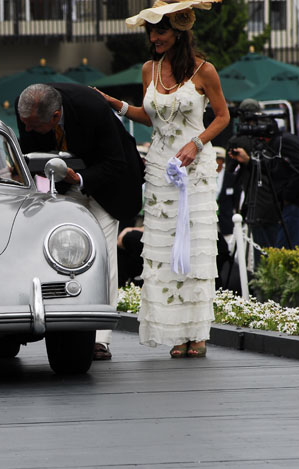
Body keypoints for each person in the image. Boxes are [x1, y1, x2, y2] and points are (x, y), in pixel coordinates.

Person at [96, 0, 230, 358]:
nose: (154, 37)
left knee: (195, 248)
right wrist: (115, 103)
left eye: (161, 31)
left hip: (194, 171)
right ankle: (175, 332)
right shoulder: (148, 70)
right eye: (151, 31)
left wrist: (196, 143)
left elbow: (221, 117)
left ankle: (197, 333)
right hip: (158, 172)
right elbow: (151, 117)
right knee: (163, 253)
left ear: (180, 31)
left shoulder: (205, 71)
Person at [16, 83, 144, 361]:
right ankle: (69, 327)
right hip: (63, 185)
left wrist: (80, 180)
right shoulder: (26, 108)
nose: (27, 129)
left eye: (33, 125)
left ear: (55, 116)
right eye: (24, 123)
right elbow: (29, 154)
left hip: (108, 184)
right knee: (63, 253)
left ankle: (100, 338)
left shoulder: (92, 108)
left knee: (105, 255)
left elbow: (115, 162)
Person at [226, 99, 299, 251]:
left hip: (282, 204)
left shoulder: (282, 142)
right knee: (278, 249)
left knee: (279, 250)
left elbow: (230, 167)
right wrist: (249, 161)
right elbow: (271, 166)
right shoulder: (276, 142)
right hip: (274, 204)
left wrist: (287, 195)